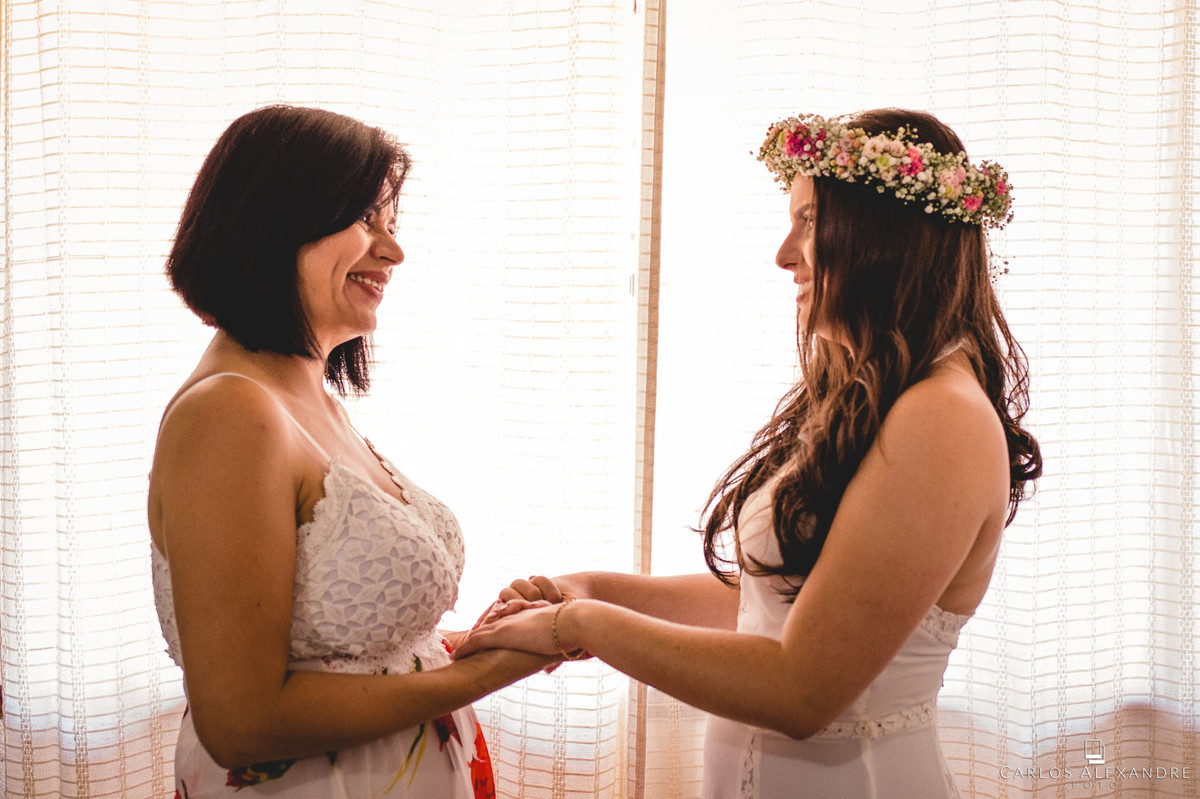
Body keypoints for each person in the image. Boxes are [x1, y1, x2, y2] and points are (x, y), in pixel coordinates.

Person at [455, 108, 1043, 798]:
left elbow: (802, 690)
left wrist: (579, 624)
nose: (784, 254)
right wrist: (591, 586)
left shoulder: (941, 415)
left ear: (884, 233)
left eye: (809, 221)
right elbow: (778, 599)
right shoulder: (881, 395)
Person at [148, 105, 552, 798]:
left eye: (392, 225)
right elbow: (241, 722)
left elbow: (349, 660)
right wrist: (483, 675)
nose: (393, 252)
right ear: (273, 220)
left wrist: (484, 641)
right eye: (367, 219)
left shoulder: (311, 401)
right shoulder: (228, 412)